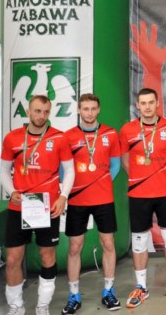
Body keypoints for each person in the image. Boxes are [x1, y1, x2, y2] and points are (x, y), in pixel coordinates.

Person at [1, 95, 74, 315]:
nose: (41, 116)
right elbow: (4, 170)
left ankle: (43, 306)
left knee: (47, 256)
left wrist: (63, 197)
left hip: (47, 207)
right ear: (28, 111)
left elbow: (70, 170)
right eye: (37, 111)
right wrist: (11, 191)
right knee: (13, 259)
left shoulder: (59, 138)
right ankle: (16, 307)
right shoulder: (12, 138)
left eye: (45, 112)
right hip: (19, 205)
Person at [120, 88, 166, 307]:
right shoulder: (128, 129)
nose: (147, 107)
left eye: (151, 102)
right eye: (143, 103)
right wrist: (141, 179)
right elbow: (125, 160)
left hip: (165, 192)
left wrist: (159, 177)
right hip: (139, 193)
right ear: (137, 105)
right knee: (139, 241)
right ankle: (141, 287)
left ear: (157, 104)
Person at [62, 94, 122, 313]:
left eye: (93, 108)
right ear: (79, 110)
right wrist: (72, 188)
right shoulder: (68, 136)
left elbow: (115, 165)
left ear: (99, 110)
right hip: (77, 199)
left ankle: (109, 291)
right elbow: (63, 170)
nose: (89, 113)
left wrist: (100, 183)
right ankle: (74, 295)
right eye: (85, 109)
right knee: (75, 247)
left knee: (108, 243)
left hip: (103, 198)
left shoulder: (110, 134)